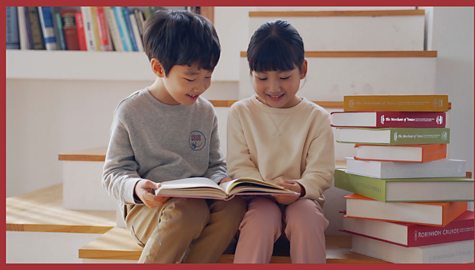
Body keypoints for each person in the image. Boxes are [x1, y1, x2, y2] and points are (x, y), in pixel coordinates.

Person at [102, 10, 246, 264]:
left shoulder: (205, 111)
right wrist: (136, 187)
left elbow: (214, 164)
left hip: (198, 205)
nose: (200, 87)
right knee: (187, 210)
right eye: (190, 77)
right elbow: (113, 174)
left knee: (234, 208)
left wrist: (221, 180)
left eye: (207, 77)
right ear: (159, 68)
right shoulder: (131, 111)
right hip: (150, 210)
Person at [226, 19, 335, 263]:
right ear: (251, 73)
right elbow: (238, 166)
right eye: (262, 78)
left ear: (303, 69)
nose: (273, 87)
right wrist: (268, 189)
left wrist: (300, 188)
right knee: (260, 219)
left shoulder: (317, 118)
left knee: (305, 217)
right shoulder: (240, 113)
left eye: (284, 77)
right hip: (257, 201)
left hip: (304, 201)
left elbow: (321, 172)